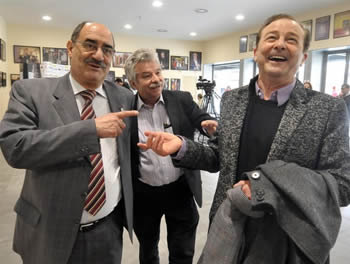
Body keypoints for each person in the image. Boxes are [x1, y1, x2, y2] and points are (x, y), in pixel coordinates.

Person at [138, 14, 350, 263]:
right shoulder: (232, 100)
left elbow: (342, 184)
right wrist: (183, 147)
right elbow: (219, 156)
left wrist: (266, 186)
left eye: (291, 40)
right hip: (230, 226)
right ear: (256, 51)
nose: (280, 44)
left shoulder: (327, 109)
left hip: (286, 239)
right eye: (272, 37)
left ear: (303, 57)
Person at [0, 21, 138, 264]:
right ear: (70, 48)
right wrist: (90, 130)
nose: (98, 55)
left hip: (108, 229)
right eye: (90, 45)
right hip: (49, 232)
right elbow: (16, 147)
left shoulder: (123, 97)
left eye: (107, 49)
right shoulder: (30, 92)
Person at [124, 48, 217, 264]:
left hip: (180, 189)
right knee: (148, 249)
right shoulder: (125, 108)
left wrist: (209, 127)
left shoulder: (180, 99)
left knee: (183, 250)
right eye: (147, 75)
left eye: (158, 72)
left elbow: (201, 118)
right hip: (143, 193)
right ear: (133, 83)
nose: (156, 79)